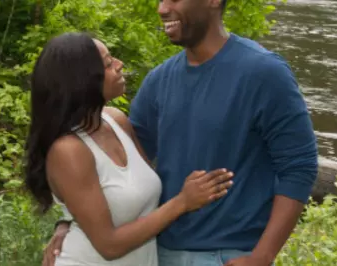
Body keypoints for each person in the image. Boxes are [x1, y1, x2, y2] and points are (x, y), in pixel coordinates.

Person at [46, 0, 318, 265]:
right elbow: (118, 172)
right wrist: (74, 220)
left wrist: (262, 256)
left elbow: (299, 167)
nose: (162, 9)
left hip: (226, 255)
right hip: (158, 252)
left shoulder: (265, 72)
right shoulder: (159, 80)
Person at [24, 32, 235, 266]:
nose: (119, 64)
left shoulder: (116, 121)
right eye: (107, 63)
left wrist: (67, 221)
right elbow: (109, 245)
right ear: (83, 81)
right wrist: (182, 202)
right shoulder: (69, 150)